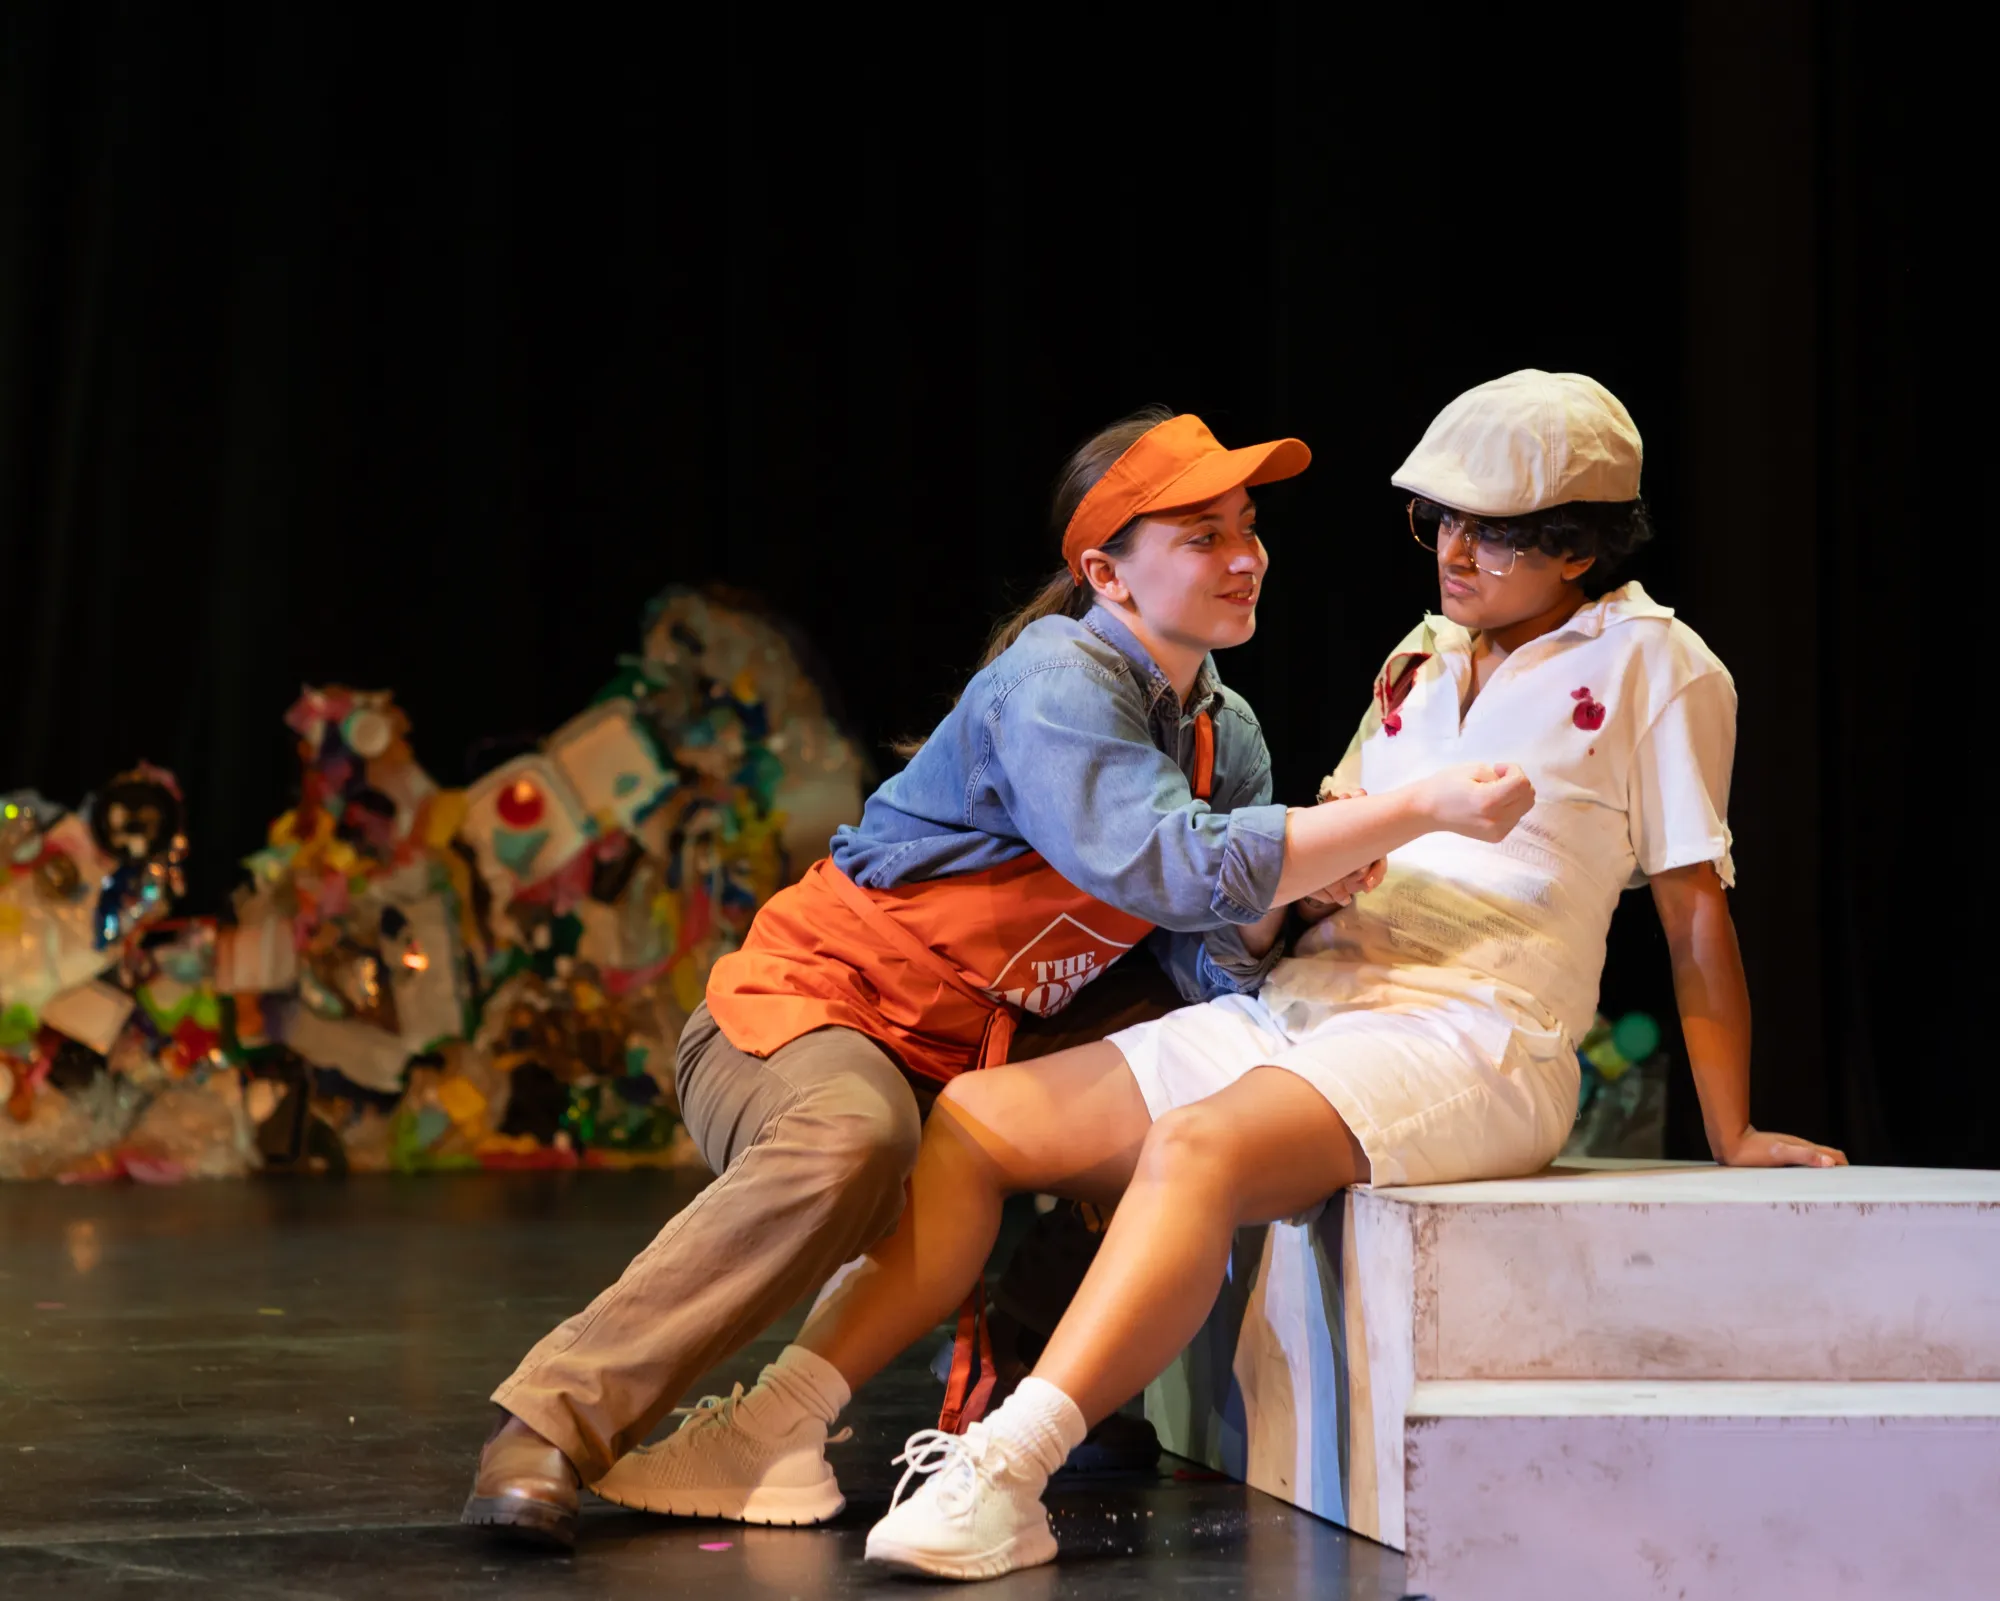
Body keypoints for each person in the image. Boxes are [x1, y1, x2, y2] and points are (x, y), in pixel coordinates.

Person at [734, 370, 1845, 1581]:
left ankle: (1005, 1470)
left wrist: (1728, 1130)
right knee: (980, 1121)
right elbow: (1295, 867)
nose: (1453, 553)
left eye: (1493, 531)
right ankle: (774, 1421)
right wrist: (1293, 906)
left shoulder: (1657, 665)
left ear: (1573, 549)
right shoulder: (1420, 655)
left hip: (1468, 1035)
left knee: (1196, 1148)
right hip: (1308, 1000)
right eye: (1437, 521)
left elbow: (1694, 912)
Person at [460, 406, 1533, 1548]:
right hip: (819, 1013)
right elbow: (1161, 861)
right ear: (1103, 575)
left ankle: (1007, 1389)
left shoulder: (1228, 730)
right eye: (1200, 533)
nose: (1243, 556)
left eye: (1247, 526)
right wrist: (1410, 807)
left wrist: (1290, 901)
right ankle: (550, 1423)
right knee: (854, 1139)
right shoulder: (1054, 682)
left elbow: (1208, 956)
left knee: (1195, 1078)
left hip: (992, 1040)